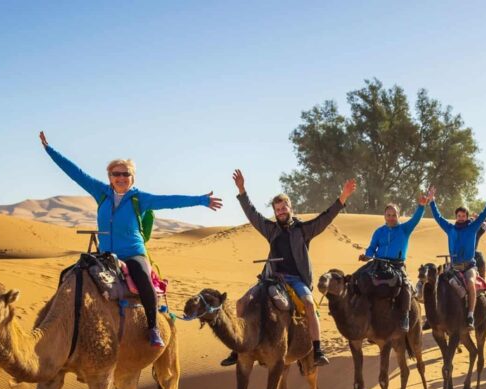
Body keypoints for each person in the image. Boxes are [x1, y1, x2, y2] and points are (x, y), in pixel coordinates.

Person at [39, 131, 222, 347]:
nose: (120, 178)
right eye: (116, 174)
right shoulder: (101, 193)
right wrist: (49, 149)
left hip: (133, 253)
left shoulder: (139, 199)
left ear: (132, 177)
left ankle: (153, 327)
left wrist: (201, 200)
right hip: (105, 254)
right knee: (70, 275)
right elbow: (75, 173)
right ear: (110, 177)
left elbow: (169, 201)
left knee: (143, 281)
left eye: (125, 174)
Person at [222, 169, 356, 367]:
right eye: (277, 210)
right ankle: (238, 348)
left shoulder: (303, 230)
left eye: (283, 208)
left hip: (296, 280)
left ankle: (317, 349)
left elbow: (325, 218)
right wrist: (242, 191)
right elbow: (253, 214)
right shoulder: (271, 229)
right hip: (271, 279)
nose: (280, 212)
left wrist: (343, 197)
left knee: (310, 305)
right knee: (241, 303)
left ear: (290, 208)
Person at [358, 187, 435, 331]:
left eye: (394, 215)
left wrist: (421, 205)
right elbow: (372, 247)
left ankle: (405, 316)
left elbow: (416, 218)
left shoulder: (404, 229)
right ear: (384, 216)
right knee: (358, 278)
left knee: (405, 285)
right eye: (388, 215)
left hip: (396, 265)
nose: (391, 217)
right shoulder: (379, 231)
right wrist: (366, 256)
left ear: (398, 216)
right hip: (378, 263)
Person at [430, 179, 486, 329]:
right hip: (453, 266)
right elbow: (438, 217)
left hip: (469, 267)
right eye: (458, 216)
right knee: (436, 284)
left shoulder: (473, 227)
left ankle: (470, 316)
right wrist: (432, 201)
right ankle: (433, 317)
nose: (461, 218)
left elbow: (485, 213)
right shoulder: (450, 228)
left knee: (471, 284)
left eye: (463, 216)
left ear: (467, 217)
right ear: (456, 217)